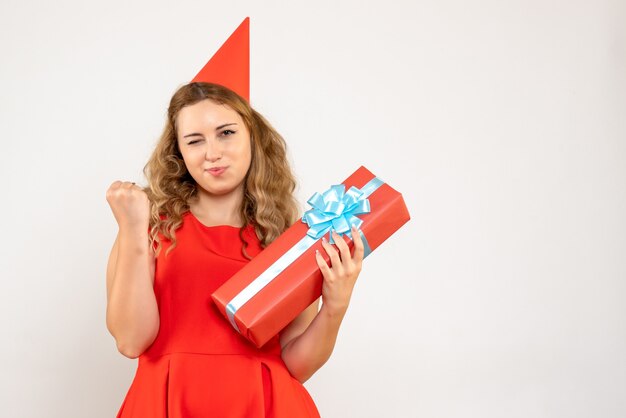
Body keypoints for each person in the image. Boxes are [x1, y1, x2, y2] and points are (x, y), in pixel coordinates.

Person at [105, 81, 365, 417]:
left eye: (226, 133)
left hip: (267, 404)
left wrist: (336, 304)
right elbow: (131, 341)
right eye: (194, 140)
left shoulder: (289, 237)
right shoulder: (147, 224)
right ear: (178, 153)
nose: (212, 153)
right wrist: (133, 230)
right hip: (166, 401)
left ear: (252, 136)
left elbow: (298, 365)